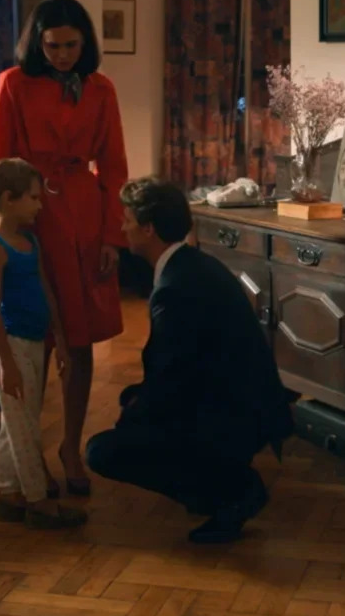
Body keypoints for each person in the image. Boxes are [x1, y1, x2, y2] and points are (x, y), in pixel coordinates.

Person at [0, 0, 129, 495]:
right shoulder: (13, 83)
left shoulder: (101, 89)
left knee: (78, 340)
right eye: (52, 45)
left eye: (71, 45)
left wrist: (112, 235)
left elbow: (115, 168)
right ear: (37, 44)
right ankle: (29, 453)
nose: (62, 55)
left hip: (83, 217)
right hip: (30, 215)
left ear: (85, 43)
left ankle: (70, 446)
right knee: (30, 341)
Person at [85, 178, 295, 544]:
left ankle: (232, 492)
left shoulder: (174, 287)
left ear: (148, 229)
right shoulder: (191, 266)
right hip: (242, 406)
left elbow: (173, 380)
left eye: (128, 220)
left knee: (102, 451)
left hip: (233, 418)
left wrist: (134, 416)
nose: (122, 227)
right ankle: (214, 485)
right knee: (133, 411)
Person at [0, 158, 85, 529]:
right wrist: (6, 362)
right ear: (9, 199)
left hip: (35, 342)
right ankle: (38, 501)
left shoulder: (30, 243)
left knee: (18, 421)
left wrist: (61, 341)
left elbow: (46, 292)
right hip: (10, 346)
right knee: (25, 428)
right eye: (34, 198)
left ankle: (9, 492)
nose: (40, 205)